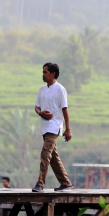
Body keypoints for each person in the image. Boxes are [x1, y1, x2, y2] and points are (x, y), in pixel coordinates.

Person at [31, 63, 73, 192]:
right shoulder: (42, 89)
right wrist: (40, 113)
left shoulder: (60, 89)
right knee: (54, 157)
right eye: (43, 72)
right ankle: (65, 183)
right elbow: (37, 106)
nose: (43, 75)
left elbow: (65, 110)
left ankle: (40, 184)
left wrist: (68, 129)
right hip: (44, 127)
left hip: (54, 127)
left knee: (45, 155)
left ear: (53, 74)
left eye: (45, 72)